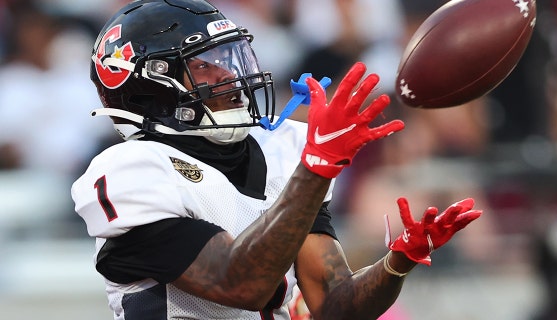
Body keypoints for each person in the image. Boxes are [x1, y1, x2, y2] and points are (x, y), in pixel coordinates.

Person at [71, 1, 482, 319]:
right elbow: (241, 283)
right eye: (205, 68)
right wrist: (316, 168)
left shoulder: (281, 148)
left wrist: (397, 262)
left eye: (229, 59)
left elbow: (333, 306)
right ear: (150, 88)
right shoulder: (131, 172)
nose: (230, 77)